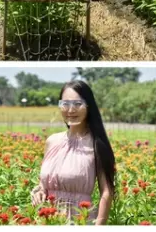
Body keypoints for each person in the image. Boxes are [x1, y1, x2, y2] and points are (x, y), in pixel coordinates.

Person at [31, 81, 115, 225]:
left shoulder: (97, 145)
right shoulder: (52, 141)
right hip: (46, 218)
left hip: (78, 219)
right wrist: (39, 191)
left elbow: (106, 193)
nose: (70, 110)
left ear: (89, 106)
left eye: (77, 104)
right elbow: (44, 184)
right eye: (65, 104)